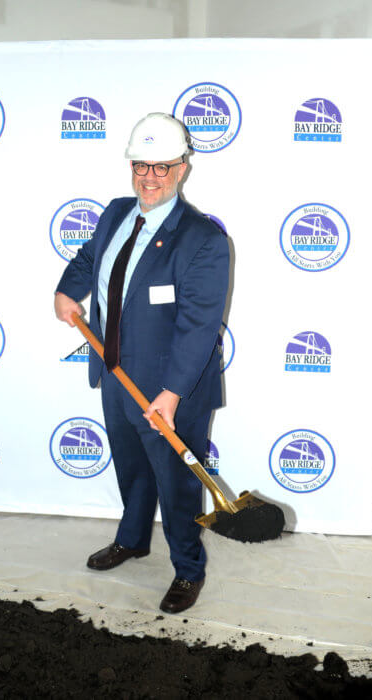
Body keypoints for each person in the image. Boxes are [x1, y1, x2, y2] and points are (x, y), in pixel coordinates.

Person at [54, 112, 229, 613]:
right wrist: (68, 290)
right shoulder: (114, 214)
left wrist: (171, 395)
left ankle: (188, 570)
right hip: (115, 373)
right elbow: (90, 259)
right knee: (131, 467)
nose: (150, 178)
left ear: (182, 169)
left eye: (162, 167)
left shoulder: (204, 241)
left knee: (176, 485)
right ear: (131, 166)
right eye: (141, 166)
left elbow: (198, 328)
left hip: (171, 390)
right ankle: (133, 539)